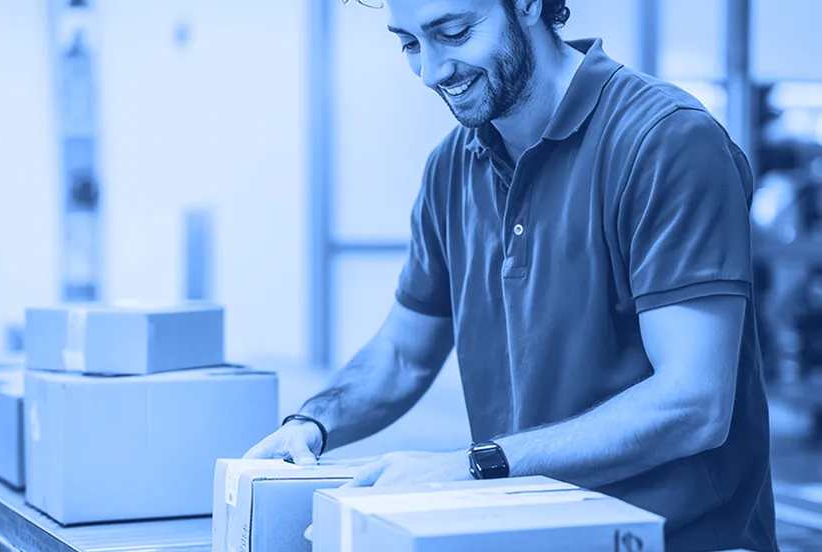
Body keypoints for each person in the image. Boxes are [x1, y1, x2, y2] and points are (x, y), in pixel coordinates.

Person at [244, 1, 778, 550]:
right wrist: (311, 426)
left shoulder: (666, 141)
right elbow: (404, 354)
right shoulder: (453, 165)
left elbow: (693, 404)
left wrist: (476, 467)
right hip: (530, 531)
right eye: (408, 44)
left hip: (681, 539)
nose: (431, 72)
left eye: (453, 33)